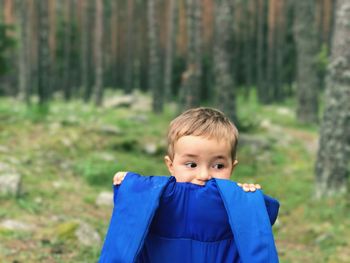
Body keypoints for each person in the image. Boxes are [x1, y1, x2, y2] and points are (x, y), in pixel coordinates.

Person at [100, 107, 279, 263]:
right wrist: (129, 186)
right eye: (191, 164)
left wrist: (247, 199)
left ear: (232, 167)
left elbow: (263, 222)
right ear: (171, 165)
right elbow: (129, 218)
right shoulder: (154, 198)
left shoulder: (236, 205)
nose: (204, 175)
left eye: (218, 166)